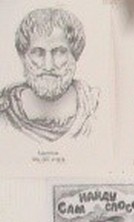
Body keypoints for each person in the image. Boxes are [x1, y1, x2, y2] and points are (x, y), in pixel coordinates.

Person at [0, 7, 99, 142]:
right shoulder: (4, 112)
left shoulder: (94, 108)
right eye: (38, 53)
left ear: (75, 55)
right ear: (23, 57)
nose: (48, 66)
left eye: (59, 52)